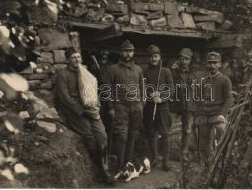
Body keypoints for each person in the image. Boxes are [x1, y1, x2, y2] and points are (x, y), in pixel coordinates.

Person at [55, 48, 115, 184]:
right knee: (90, 136)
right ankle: (101, 170)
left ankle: (106, 166)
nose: (77, 60)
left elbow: (93, 89)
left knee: (102, 135)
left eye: (78, 57)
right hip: (76, 112)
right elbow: (64, 97)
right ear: (68, 60)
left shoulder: (85, 71)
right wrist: (80, 110)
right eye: (73, 57)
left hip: (91, 109)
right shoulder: (63, 75)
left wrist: (96, 105)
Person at [107, 40, 144, 176]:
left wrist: (141, 104)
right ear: (120, 52)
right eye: (125, 51)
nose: (128, 54)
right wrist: (111, 107)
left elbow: (142, 87)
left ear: (133, 53)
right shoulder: (113, 69)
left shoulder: (138, 69)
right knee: (121, 136)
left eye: (130, 51)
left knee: (132, 135)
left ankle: (128, 165)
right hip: (121, 107)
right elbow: (108, 90)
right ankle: (120, 166)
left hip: (136, 108)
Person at [196, 51, 233, 172]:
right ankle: (208, 167)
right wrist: (198, 113)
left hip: (217, 115)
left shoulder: (224, 80)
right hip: (204, 115)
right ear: (207, 64)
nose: (212, 65)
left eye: (215, 63)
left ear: (219, 64)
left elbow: (229, 99)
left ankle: (222, 164)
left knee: (222, 138)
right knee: (204, 143)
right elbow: (199, 97)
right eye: (210, 63)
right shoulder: (203, 80)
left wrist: (223, 114)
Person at [143, 45, 174, 171]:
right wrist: (149, 94)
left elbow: (171, 89)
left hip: (162, 107)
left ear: (159, 57)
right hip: (149, 107)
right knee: (151, 133)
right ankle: (155, 157)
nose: (153, 59)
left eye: (155, 56)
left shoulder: (165, 71)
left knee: (164, 134)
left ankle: (165, 161)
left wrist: (161, 96)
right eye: (151, 57)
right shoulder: (145, 71)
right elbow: (142, 88)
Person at [170, 48, 200, 162]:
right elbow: (168, 82)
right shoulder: (174, 72)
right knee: (167, 126)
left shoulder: (193, 74)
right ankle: (164, 152)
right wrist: (172, 70)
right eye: (182, 58)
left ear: (190, 60)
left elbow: (196, 91)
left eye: (186, 59)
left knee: (187, 130)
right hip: (175, 104)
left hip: (189, 105)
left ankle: (184, 153)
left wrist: (196, 106)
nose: (184, 61)